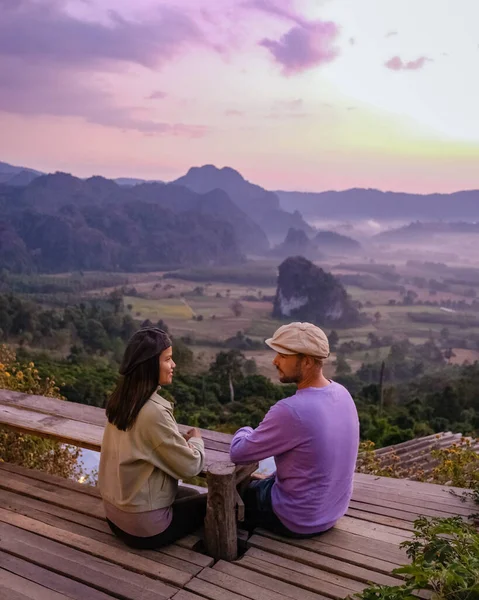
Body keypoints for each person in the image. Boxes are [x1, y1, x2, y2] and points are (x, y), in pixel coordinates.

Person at [230, 322, 359, 538]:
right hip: (332, 511)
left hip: (297, 519)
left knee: (243, 493)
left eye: (283, 355)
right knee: (269, 475)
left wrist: (244, 429)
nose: (275, 361)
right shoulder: (342, 393)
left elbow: (239, 453)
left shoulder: (292, 410)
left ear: (307, 361)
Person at [98, 327, 206, 549]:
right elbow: (191, 466)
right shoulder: (153, 412)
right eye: (167, 359)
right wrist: (196, 439)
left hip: (114, 516)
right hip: (144, 529)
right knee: (213, 504)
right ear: (149, 365)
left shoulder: (121, 400)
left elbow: (146, 444)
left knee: (192, 494)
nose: (173, 365)